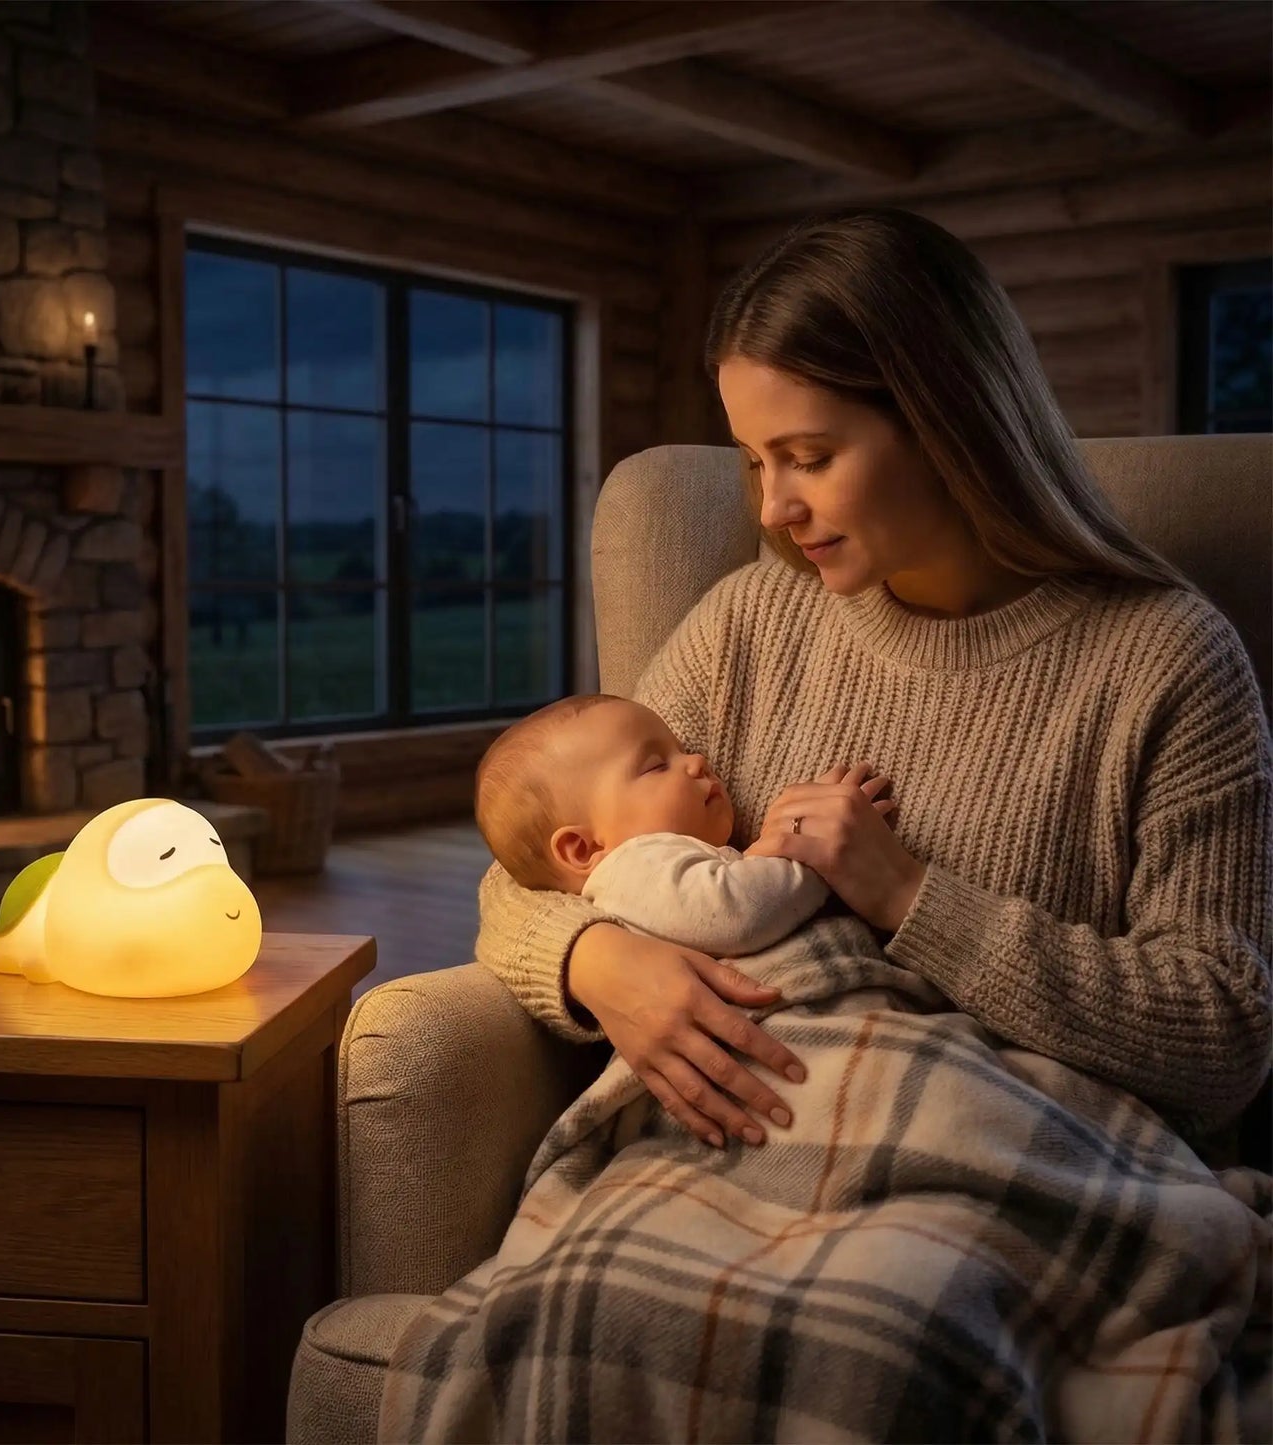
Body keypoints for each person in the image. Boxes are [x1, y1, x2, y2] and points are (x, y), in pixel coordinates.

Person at [474, 205, 1271, 1158]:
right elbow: (541, 859)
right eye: (756, 460)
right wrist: (599, 961)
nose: (775, 506)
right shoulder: (749, 622)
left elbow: (1222, 1034)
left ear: (946, 421)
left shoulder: (1166, 661)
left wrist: (907, 894)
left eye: (808, 456)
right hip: (756, 1154)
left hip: (1008, 1163)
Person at [475, 690, 897, 951]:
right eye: (657, 766)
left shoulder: (664, 867)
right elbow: (736, 914)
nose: (697, 761)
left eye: (683, 748)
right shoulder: (631, 868)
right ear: (584, 849)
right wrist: (805, 846)